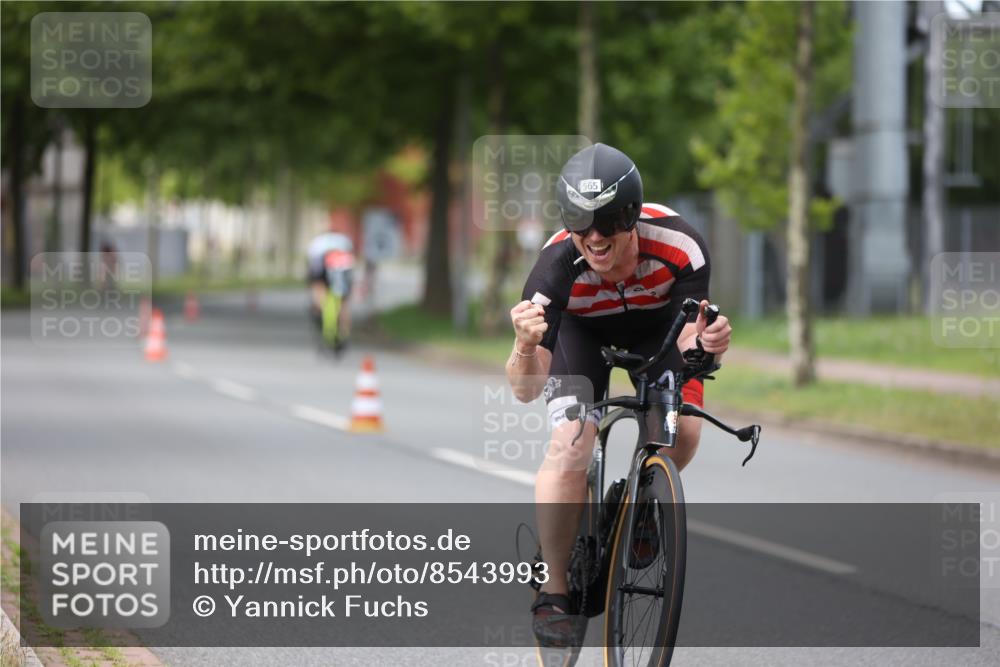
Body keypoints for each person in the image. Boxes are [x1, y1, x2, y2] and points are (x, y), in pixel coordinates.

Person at [506, 143, 732, 641]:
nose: (593, 237)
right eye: (579, 224)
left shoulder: (680, 246)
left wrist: (711, 345)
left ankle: (644, 504)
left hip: (659, 329)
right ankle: (555, 588)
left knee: (683, 432)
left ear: (631, 217)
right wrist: (524, 348)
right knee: (570, 444)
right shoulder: (553, 269)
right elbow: (525, 390)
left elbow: (694, 341)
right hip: (581, 336)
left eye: (607, 222)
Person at [307, 227, 356, 351]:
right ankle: (344, 333)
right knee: (344, 302)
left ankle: (321, 310)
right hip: (343, 265)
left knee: (319, 288)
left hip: (323, 263)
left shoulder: (318, 242)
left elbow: (313, 268)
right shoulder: (345, 241)